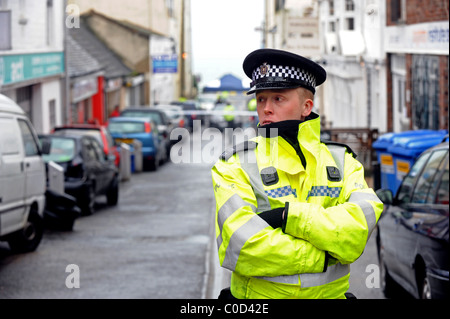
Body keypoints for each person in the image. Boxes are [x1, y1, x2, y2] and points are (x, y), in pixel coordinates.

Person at [211, 48, 383, 299]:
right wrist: (326, 253)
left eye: (278, 99)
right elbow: (242, 246)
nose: (266, 108)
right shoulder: (234, 165)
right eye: (261, 99)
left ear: (306, 106)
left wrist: (288, 217)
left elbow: (357, 231)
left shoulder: (342, 161)